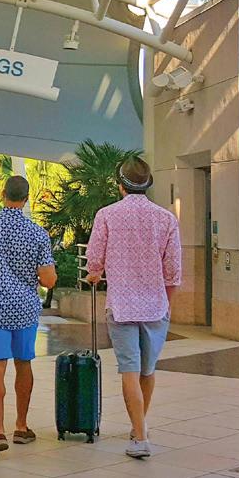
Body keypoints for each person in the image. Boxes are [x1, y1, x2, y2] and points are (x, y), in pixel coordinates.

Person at [85, 157, 181, 459]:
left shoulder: (107, 215)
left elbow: (94, 260)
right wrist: (167, 305)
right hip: (156, 306)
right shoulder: (166, 219)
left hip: (121, 306)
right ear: (147, 185)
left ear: (120, 186)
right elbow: (173, 271)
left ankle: (140, 437)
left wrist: (94, 274)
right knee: (147, 371)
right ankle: (139, 426)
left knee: (129, 370)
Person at [0, 175, 57, 457]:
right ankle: (21, 426)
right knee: (23, 363)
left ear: (2, 194)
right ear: (26, 198)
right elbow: (48, 280)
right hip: (25, 310)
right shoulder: (37, 233)